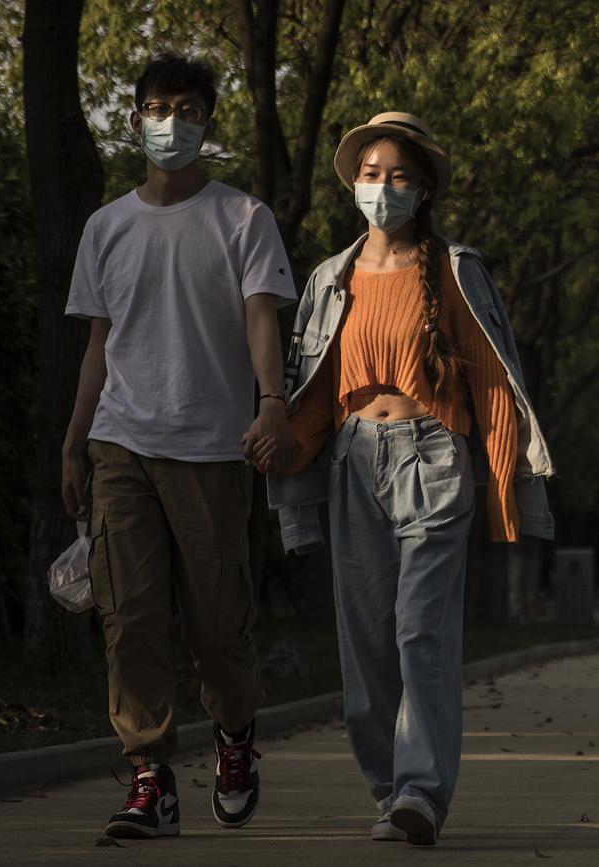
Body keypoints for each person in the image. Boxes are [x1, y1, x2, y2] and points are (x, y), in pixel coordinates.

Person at [255, 112, 555, 846]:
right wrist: (278, 440)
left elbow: (489, 379)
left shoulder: (453, 269)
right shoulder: (332, 278)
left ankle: (420, 791)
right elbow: (319, 396)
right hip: (354, 460)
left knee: (420, 629)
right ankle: (389, 787)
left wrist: (507, 484)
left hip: (435, 459)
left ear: (421, 191)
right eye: (370, 174)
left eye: (397, 176)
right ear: (353, 183)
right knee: (364, 640)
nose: (381, 187)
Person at [61, 51, 297, 839]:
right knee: (129, 618)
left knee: (216, 624)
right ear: (135, 121)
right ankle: (151, 776)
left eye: (190, 109)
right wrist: (75, 439)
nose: (173, 122)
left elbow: (263, 316)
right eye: (159, 108)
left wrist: (271, 405)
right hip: (120, 442)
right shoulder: (107, 227)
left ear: (208, 122)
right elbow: (99, 343)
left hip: (212, 446)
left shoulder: (242, 218)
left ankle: (235, 738)